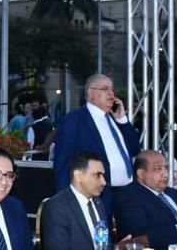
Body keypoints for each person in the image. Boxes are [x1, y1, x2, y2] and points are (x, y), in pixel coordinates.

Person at [51, 75, 141, 217]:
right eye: (105, 89)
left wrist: (122, 120)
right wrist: (66, 201)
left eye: (112, 89)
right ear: (90, 93)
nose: (111, 94)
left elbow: (135, 149)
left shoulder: (114, 119)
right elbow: (62, 162)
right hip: (99, 194)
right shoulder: (74, 120)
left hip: (126, 193)